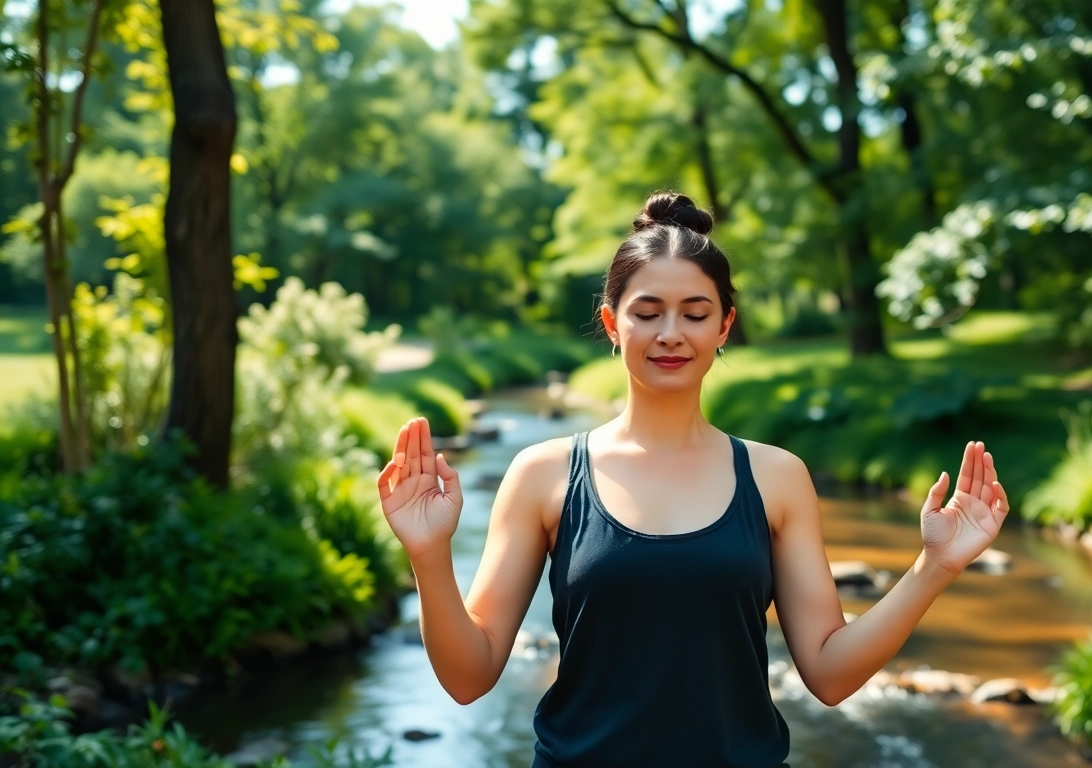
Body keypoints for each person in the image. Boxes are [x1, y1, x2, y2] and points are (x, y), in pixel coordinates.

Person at [375, 191, 1012, 768]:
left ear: (724, 325)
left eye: (695, 313)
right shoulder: (542, 474)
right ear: (612, 325)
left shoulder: (778, 478)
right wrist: (428, 554)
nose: (671, 334)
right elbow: (469, 678)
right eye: (648, 313)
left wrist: (935, 567)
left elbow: (829, 673)